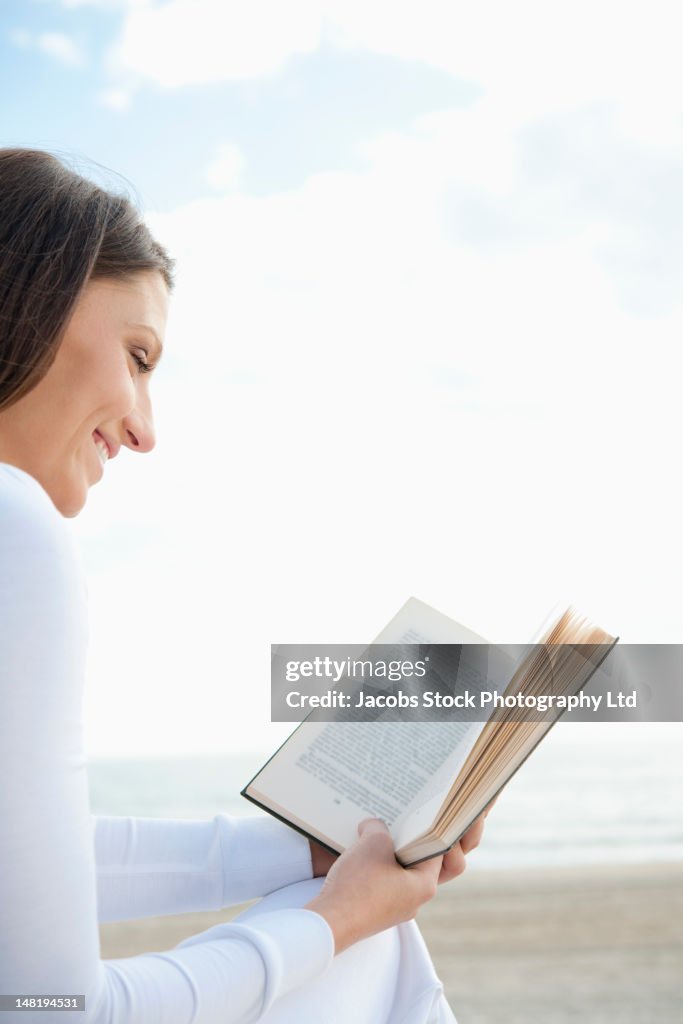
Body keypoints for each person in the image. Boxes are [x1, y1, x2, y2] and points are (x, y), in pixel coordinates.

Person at [0, 148, 487, 1023]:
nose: (145, 431)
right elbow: (51, 1010)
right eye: (138, 356)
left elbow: (25, 866)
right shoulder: (13, 525)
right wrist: (335, 919)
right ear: (25, 298)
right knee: (371, 949)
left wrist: (298, 858)